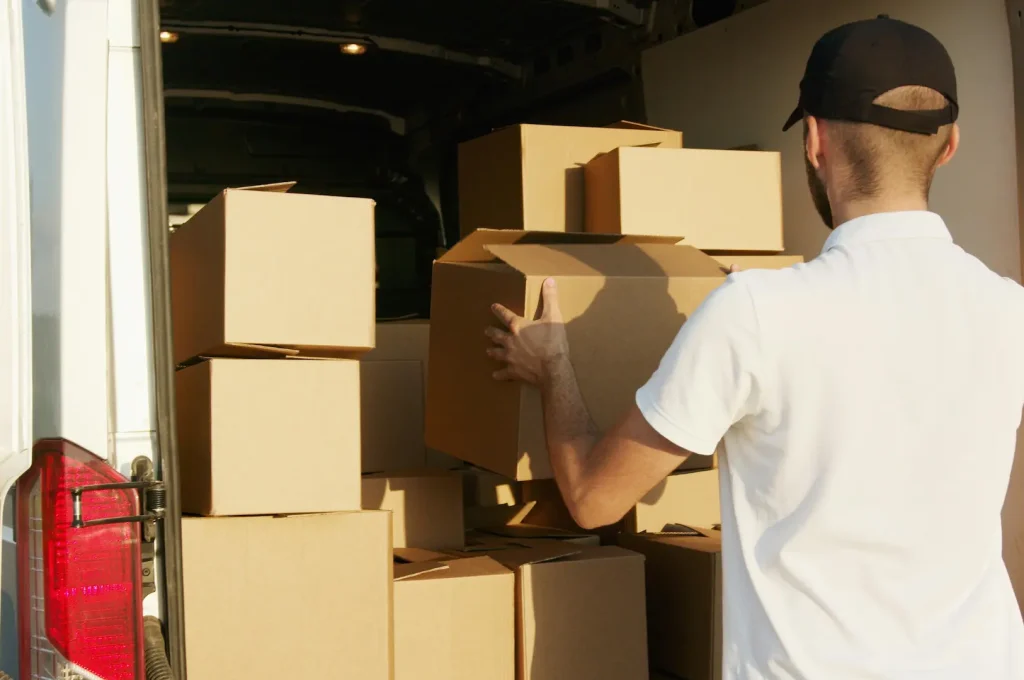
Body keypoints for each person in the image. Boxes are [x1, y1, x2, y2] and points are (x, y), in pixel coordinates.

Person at [485, 15, 1024, 680]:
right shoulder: (1011, 314)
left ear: (815, 140)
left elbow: (596, 499)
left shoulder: (755, 316)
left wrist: (552, 364)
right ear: (949, 147)